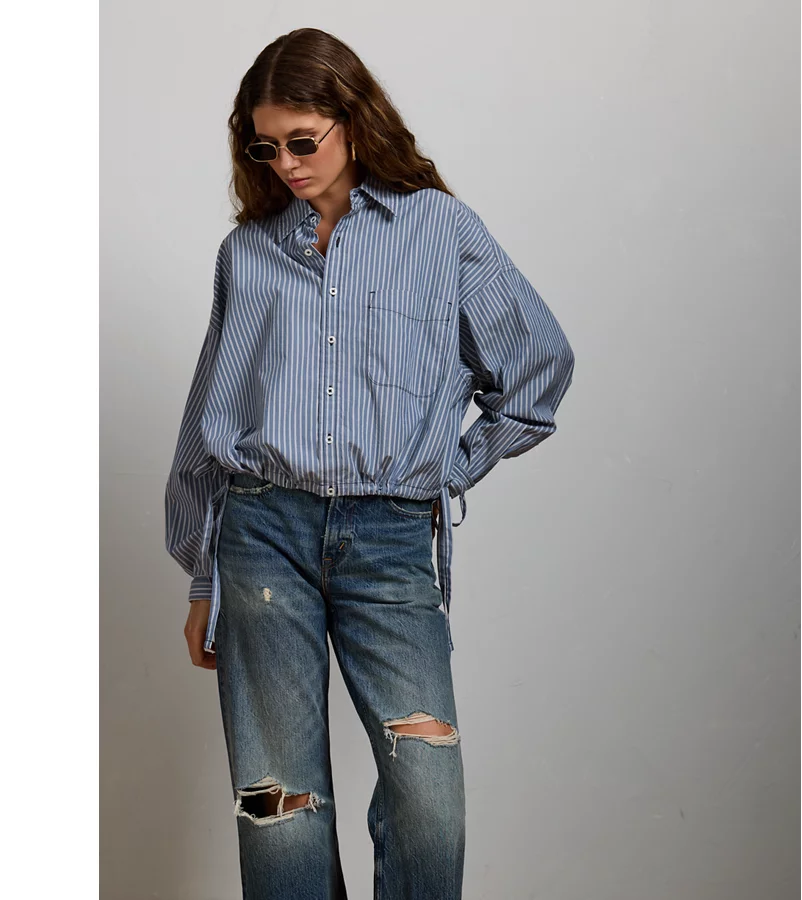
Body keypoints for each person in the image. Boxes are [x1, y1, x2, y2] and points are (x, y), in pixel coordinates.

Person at [163, 26, 575, 900]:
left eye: (302, 141)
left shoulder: (441, 230)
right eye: (264, 147)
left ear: (353, 120)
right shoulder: (248, 253)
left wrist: (449, 468)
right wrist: (203, 578)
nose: (285, 164)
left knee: (429, 797)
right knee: (279, 804)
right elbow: (210, 418)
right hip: (260, 534)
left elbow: (538, 366)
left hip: (387, 540)